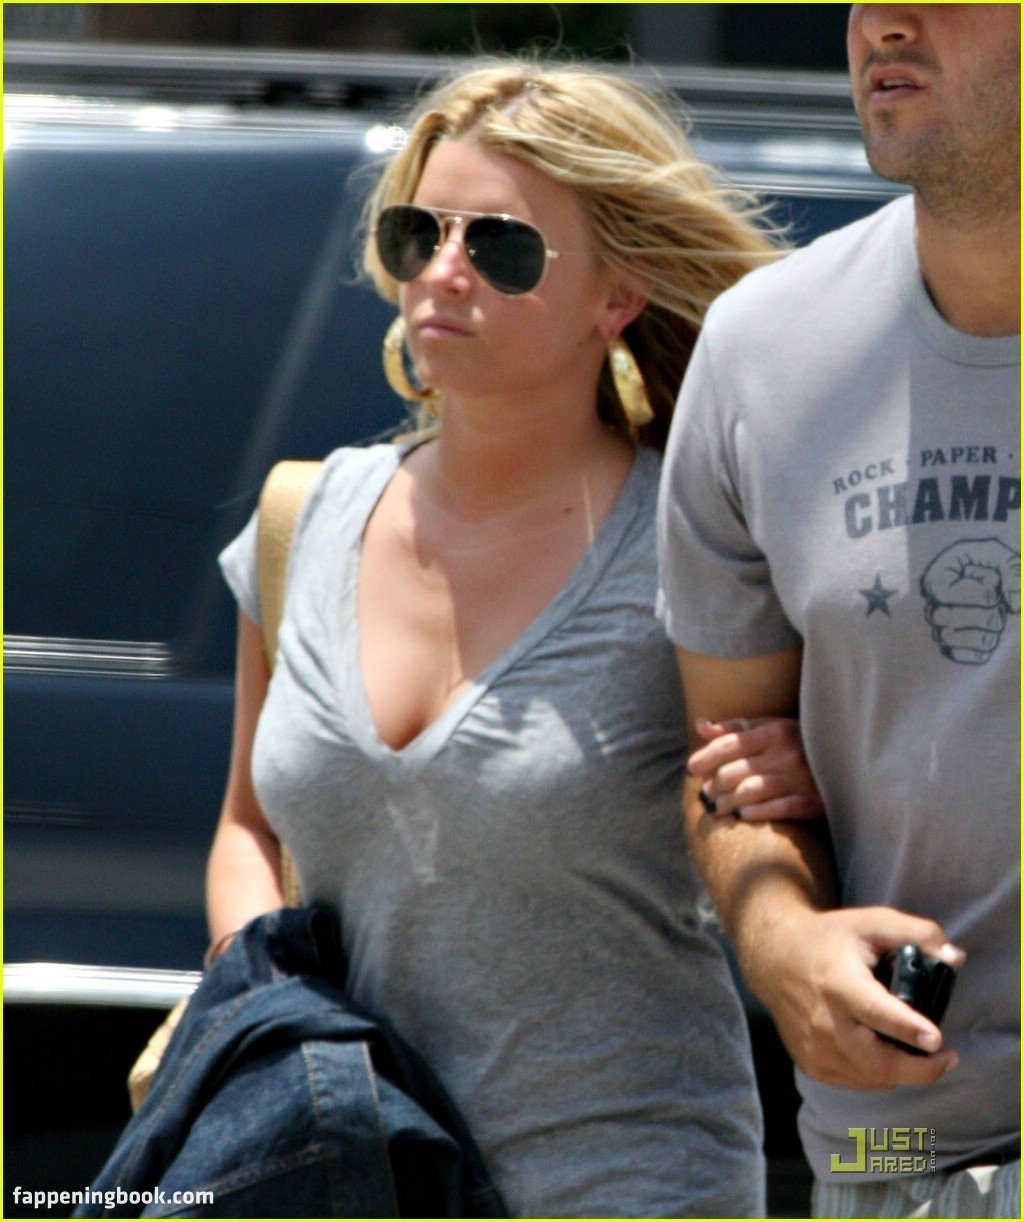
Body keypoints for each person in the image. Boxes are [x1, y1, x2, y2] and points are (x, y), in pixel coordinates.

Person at [207, 59, 824, 1218]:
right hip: (352, 1181)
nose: (443, 271)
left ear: (617, 296)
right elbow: (247, 824)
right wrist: (269, 1024)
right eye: (417, 232)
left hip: (628, 1185)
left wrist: (807, 766)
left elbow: (803, 783)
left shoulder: (695, 543)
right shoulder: (303, 519)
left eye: (500, 247)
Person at [656, 5, 1019, 1218]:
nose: (883, 24)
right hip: (891, 1159)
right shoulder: (763, 350)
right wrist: (782, 944)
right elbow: (729, 765)